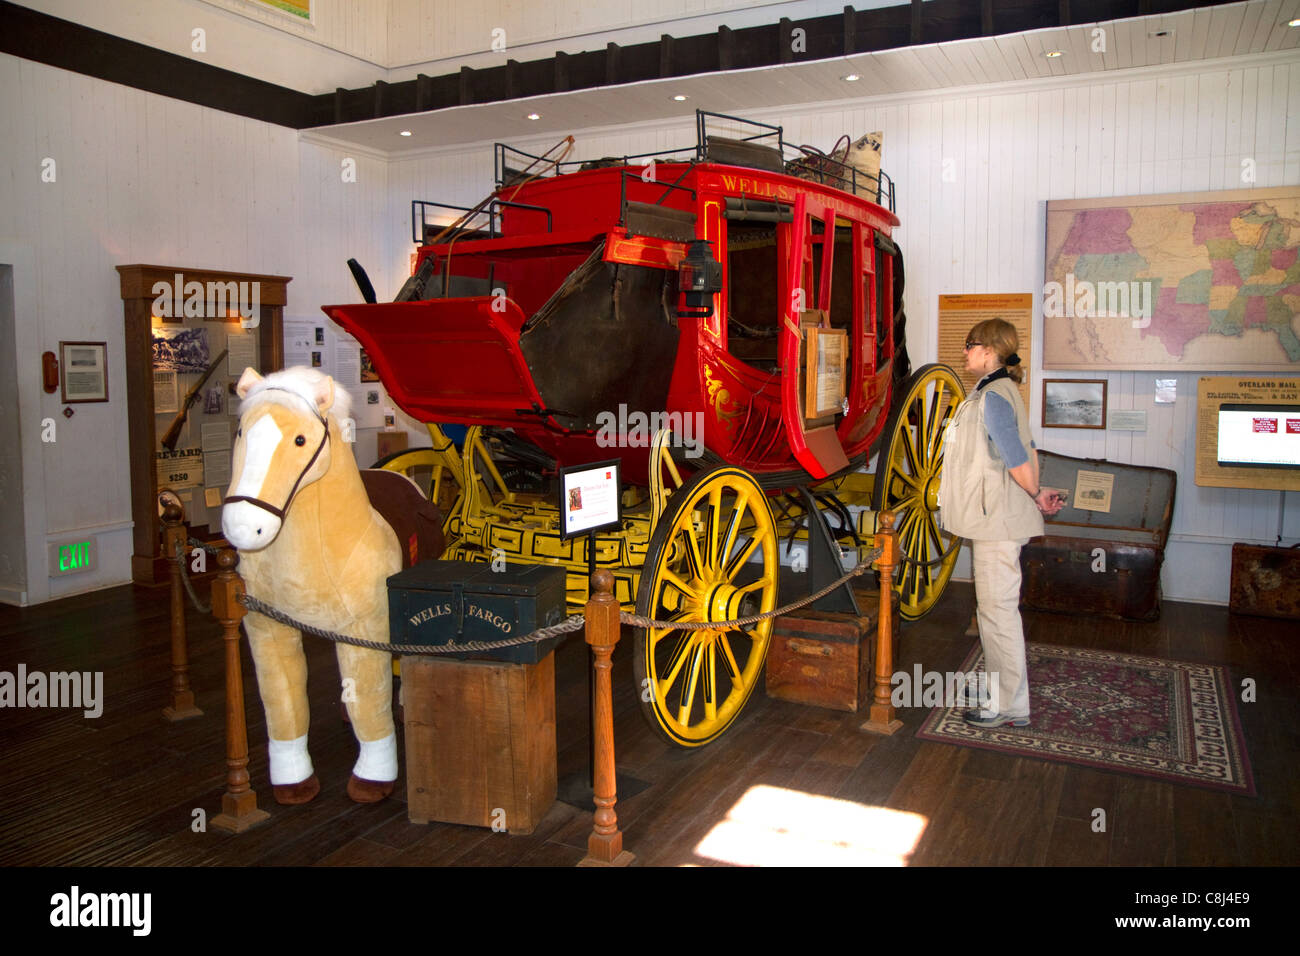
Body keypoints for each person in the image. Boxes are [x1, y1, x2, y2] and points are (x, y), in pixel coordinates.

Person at [937, 319, 1064, 728]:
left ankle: (1008, 704)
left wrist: (1031, 488)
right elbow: (1015, 455)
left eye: (970, 345)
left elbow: (1017, 459)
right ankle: (1009, 697)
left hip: (996, 527)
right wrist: (1036, 493)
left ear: (989, 351)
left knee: (997, 616)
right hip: (996, 522)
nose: (965, 353)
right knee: (996, 613)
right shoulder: (994, 392)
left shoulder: (993, 396)